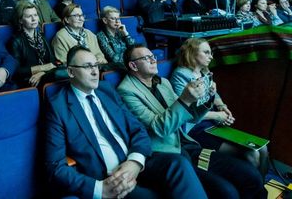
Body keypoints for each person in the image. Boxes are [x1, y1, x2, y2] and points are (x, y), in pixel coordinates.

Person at [45, 46, 208, 199]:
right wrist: (100, 189)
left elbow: (138, 130)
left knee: (178, 164)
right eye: (87, 66)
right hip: (110, 177)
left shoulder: (106, 90)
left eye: (96, 65)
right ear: (71, 71)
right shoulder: (58, 106)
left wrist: (135, 161)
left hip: (135, 162)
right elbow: (55, 166)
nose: (95, 71)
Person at [118, 45, 267, 199]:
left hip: (188, 146)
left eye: (153, 56)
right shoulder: (126, 91)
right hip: (167, 154)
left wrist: (206, 98)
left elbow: (190, 118)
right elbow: (160, 128)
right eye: (146, 58)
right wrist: (185, 99)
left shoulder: (163, 83)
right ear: (133, 65)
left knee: (251, 176)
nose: (153, 60)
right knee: (227, 191)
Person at [171, 38, 269, 176]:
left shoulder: (204, 72)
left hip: (212, 124)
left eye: (210, 53)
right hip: (195, 128)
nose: (211, 57)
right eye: (206, 52)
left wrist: (222, 107)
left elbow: (214, 94)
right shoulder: (180, 74)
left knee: (263, 149)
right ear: (192, 53)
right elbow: (186, 111)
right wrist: (218, 115)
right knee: (251, 154)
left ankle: (259, 187)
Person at [11, 2, 60, 88]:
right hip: (29, 81)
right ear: (20, 20)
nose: (34, 19)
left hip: (47, 76)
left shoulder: (42, 36)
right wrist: (42, 68)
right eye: (29, 16)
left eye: (35, 15)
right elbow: (16, 71)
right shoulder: (16, 41)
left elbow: (53, 62)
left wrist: (42, 73)